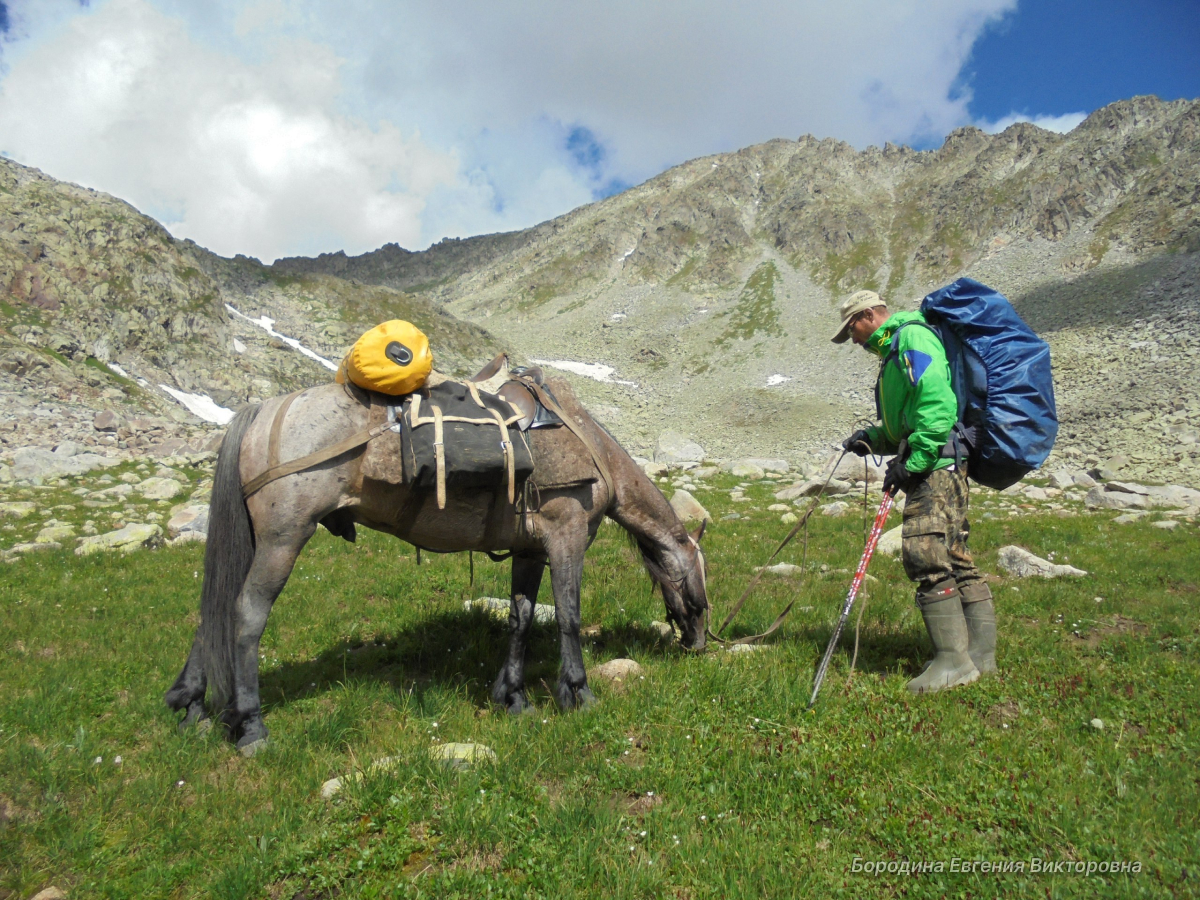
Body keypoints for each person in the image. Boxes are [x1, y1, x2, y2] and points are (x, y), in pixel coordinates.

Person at [831, 289, 995, 693]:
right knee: (956, 554)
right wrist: (872, 438)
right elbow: (904, 421)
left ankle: (952, 662)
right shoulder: (896, 351)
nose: (853, 339)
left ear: (869, 315)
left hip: (935, 466)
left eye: (852, 328)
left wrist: (915, 461)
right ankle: (979, 658)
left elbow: (936, 403)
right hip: (943, 461)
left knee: (925, 552)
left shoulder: (911, 338)